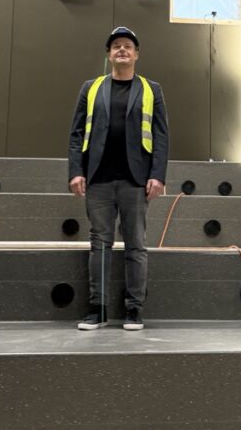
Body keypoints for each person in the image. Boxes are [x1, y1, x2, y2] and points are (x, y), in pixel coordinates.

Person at [68, 27, 169, 331]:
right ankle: (97, 310)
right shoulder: (91, 88)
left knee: (136, 245)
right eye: (116, 46)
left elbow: (161, 136)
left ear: (136, 54)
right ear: (109, 55)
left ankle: (134, 309)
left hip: (135, 180)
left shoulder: (151, 89)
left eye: (127, 46)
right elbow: (76, 134)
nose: (122, 49)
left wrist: (157, 175)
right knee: (99, 244)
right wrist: (76, 170)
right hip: (98, 178)